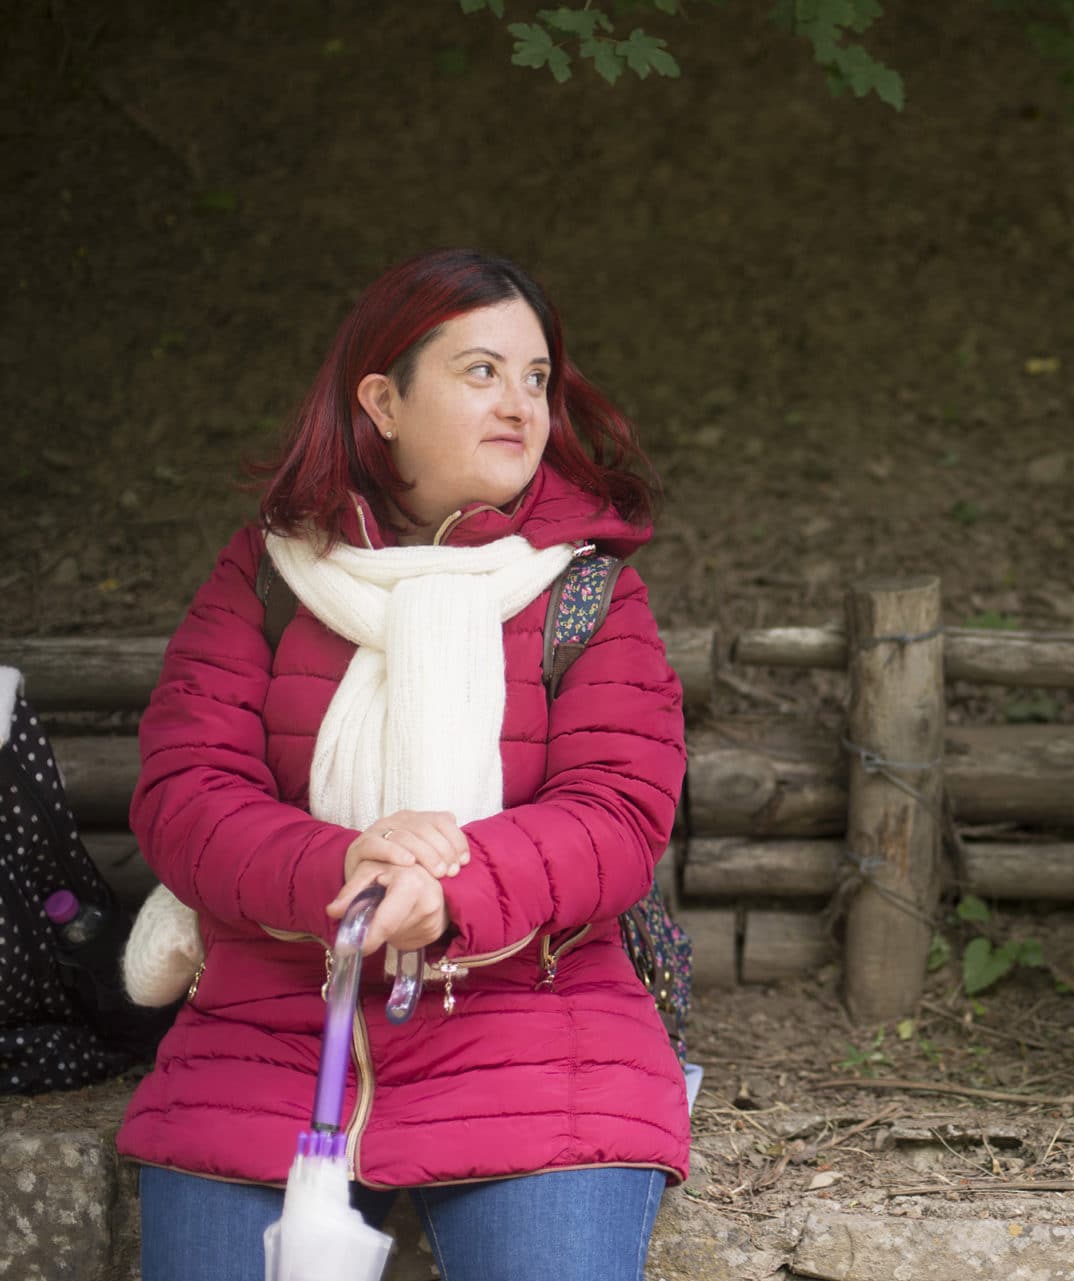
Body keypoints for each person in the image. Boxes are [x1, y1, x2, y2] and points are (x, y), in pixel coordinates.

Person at [117, 249, 689, 1280]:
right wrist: (344, 865)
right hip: (273, 1033)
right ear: (381, 398)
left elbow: (618, 818)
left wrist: (443, 885)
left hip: (534, 1035)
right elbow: (185, 797)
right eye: (481, 371)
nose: (520, 402)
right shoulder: (270, 574)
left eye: (536, 377)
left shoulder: (588, 590)